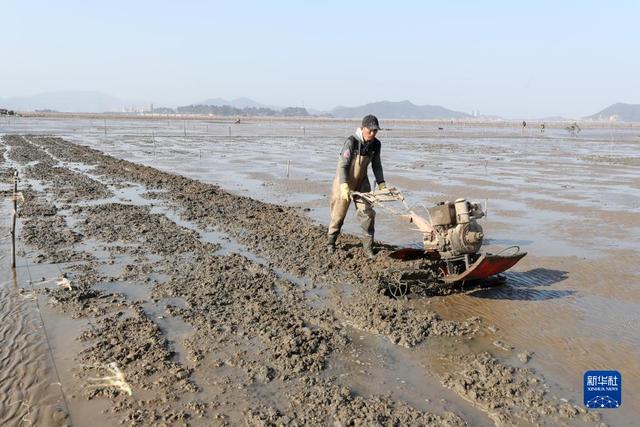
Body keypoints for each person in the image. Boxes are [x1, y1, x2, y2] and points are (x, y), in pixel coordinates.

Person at [327, 114, 386, 258]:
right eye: (370, 130)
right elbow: (343, 166)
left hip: (361, 182)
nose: (372, 134)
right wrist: (344, 186)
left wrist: (381, 183)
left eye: (375, 131)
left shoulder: (376, 145)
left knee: (367, 213)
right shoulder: (351, 142)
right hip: (344, 181)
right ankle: (331, 242)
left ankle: (368, 247)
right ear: (363, 128)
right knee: (338, 215)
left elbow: (376, 165)